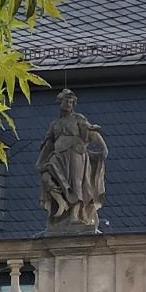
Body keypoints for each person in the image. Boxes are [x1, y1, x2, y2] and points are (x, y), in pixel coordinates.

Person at [37, 89, 108, 231]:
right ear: (60, 102)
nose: (69, 104)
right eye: (66, 101)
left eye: (71, 102)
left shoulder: (78, 118)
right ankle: (61, 203)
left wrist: (103, 147)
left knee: (76, 183)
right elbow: (48, 143)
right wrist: (40, 161)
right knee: (47, 176)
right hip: (59, 156)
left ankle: (74, 215)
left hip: (76, 153)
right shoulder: (55, 124)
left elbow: (91, 133)